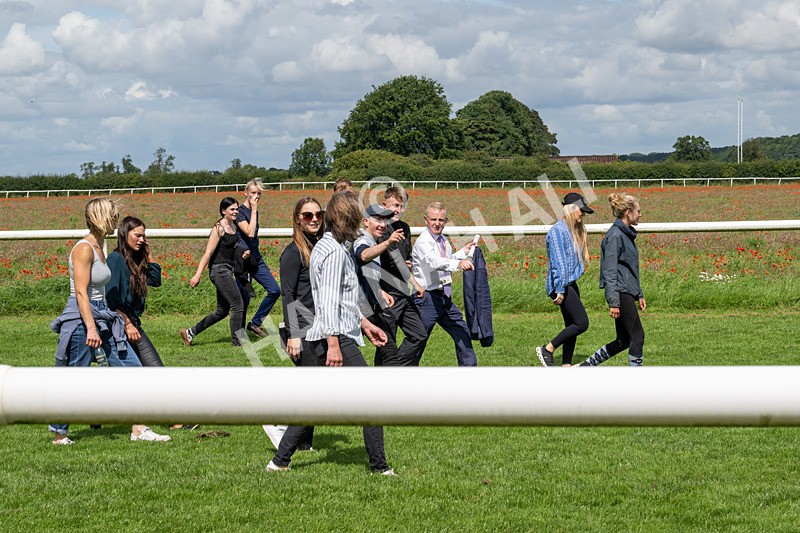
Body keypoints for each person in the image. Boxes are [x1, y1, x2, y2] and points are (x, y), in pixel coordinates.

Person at [267, 191, 395, 476]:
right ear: (348, 218)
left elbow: (338, 299)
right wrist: (334, 344)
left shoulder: (325, 246)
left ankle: (279, 461)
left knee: (314, 401)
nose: (360, 223)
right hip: (334, 336)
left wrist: (364, 324)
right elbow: (326, 301)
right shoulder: (335, 253)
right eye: (357, 217)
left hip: (326, 333)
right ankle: (380, 467)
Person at [49, 197, 170, 444]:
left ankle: (139, 429)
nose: (116, 219)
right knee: (73, 378)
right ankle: (60, 434)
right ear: (101, 217)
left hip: (103, 315)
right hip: (83, 319)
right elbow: (81, 292)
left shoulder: (98, 247)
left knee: (133, 369)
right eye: (113, 215)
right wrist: (91, 328)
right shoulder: (84, 249)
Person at [107, 216, 196, 431]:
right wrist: (127, 323)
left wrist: (148, 254)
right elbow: (110, 299)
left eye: (143, 236)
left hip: (133, 323)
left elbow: (155, 280)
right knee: (145, 372)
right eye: (137, 235)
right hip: (119, 325)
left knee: (152, 370)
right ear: (124, 234)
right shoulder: (115, 260)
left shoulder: (135, 261)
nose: (141, 239)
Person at [273, 195, 326, 451]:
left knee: (314, 385)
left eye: (318, 214)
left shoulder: (321, 246)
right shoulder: (292, 253)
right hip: (302, 327)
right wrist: (293, 335)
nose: (314, 219)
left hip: (321, 325)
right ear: (298, 219)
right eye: (308, 215)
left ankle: (304, 442)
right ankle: (279, 423)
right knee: (312, 386)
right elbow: (288, 295)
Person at [576, 193, 647, 367]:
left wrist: (639, 294)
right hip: (620, 293)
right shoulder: (615, 236)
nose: (640, 214)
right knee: (637, 336)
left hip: (626, 291)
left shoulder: (625, 234)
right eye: (638, 211)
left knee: (624, 340)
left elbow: (629, 269)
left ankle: (586, 367)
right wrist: (614, 302)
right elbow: (610, 272)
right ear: (628, 212)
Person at [411, 201, 478, 367]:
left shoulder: (443, 241)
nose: (437, 223)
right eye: (433, 219)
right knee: (418, 341)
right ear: (426, 220)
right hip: (426, 299)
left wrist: (463, 252)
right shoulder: (424, 242)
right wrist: (459, 264)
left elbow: (446, 260)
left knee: (462, 332)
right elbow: (434, 262)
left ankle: (470, 370)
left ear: (446, 221)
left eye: (441, 220)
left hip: (444, 298)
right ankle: (404, 372)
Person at [535, 193, 593, 367]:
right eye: (581, 210)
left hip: (569, 283)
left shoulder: (570, 230)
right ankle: (548, 349)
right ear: (571, 209)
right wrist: (560, 289)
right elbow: (558, 263)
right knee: (582, 323)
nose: (583, 214)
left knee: (571, 324)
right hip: (562, 284)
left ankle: (566, 364)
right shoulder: (558, 232)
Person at [181, 197, 249, 347]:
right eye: (232, 209)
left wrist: (243, 253)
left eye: (237, 209)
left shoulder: (234, 226)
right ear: (223, 211)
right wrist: (197, 274)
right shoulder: (218, 228)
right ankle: (238, 342)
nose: (235, 212)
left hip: (227, 270)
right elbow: (208, 253)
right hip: (219, 271)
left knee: (222, 311)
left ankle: (190, 332)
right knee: (238, 305)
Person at [373, 186, 427, 366]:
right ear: (384, 205)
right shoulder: (381, 228)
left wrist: (409, 262)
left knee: (419, 335)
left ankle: (396, 367)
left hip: (404, 291)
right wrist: (416, 283)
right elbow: (393, 259)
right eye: (395, 205)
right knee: (387, 342)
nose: (399, 210)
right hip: (387, 293)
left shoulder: (405, 228)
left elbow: (405, 256)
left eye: (402, 206)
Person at [350, 203, 407, 365]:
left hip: (369, 306)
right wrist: (388, 243)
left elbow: (365, 273)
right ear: (366, 221)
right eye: (378, 220)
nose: (383, 224)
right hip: (359, 308)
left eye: (385, 220)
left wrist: (379, 291)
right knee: (388, 352)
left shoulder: (373, 241)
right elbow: (363, 255)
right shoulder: (362, 240)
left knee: (387, 351)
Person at [235, 178, 281, 338]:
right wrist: (254, 210)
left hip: (255, 259)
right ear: (245, 193)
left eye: (259, 193)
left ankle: (255, 323)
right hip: (243, 260)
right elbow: (249, 232)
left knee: (275, 290)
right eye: (253, 193)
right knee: (243, 299)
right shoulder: (240, 212)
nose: (256, 196)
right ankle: (239, 336)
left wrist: (254, 211)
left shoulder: (254, 211)